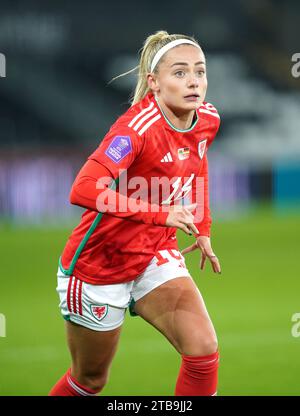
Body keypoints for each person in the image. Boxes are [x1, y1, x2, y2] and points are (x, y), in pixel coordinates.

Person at [49, 30, 221, 397]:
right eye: (180, 73)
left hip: (154, 255)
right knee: (90, 381)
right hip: (100, 265)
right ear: (153, 82)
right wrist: (160, 214)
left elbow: (199, 165)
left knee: (203, 349)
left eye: (200, 71)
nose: (193, 81)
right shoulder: (135, 129)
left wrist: (202, 226)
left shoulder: (206, 118)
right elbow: (83, 188)